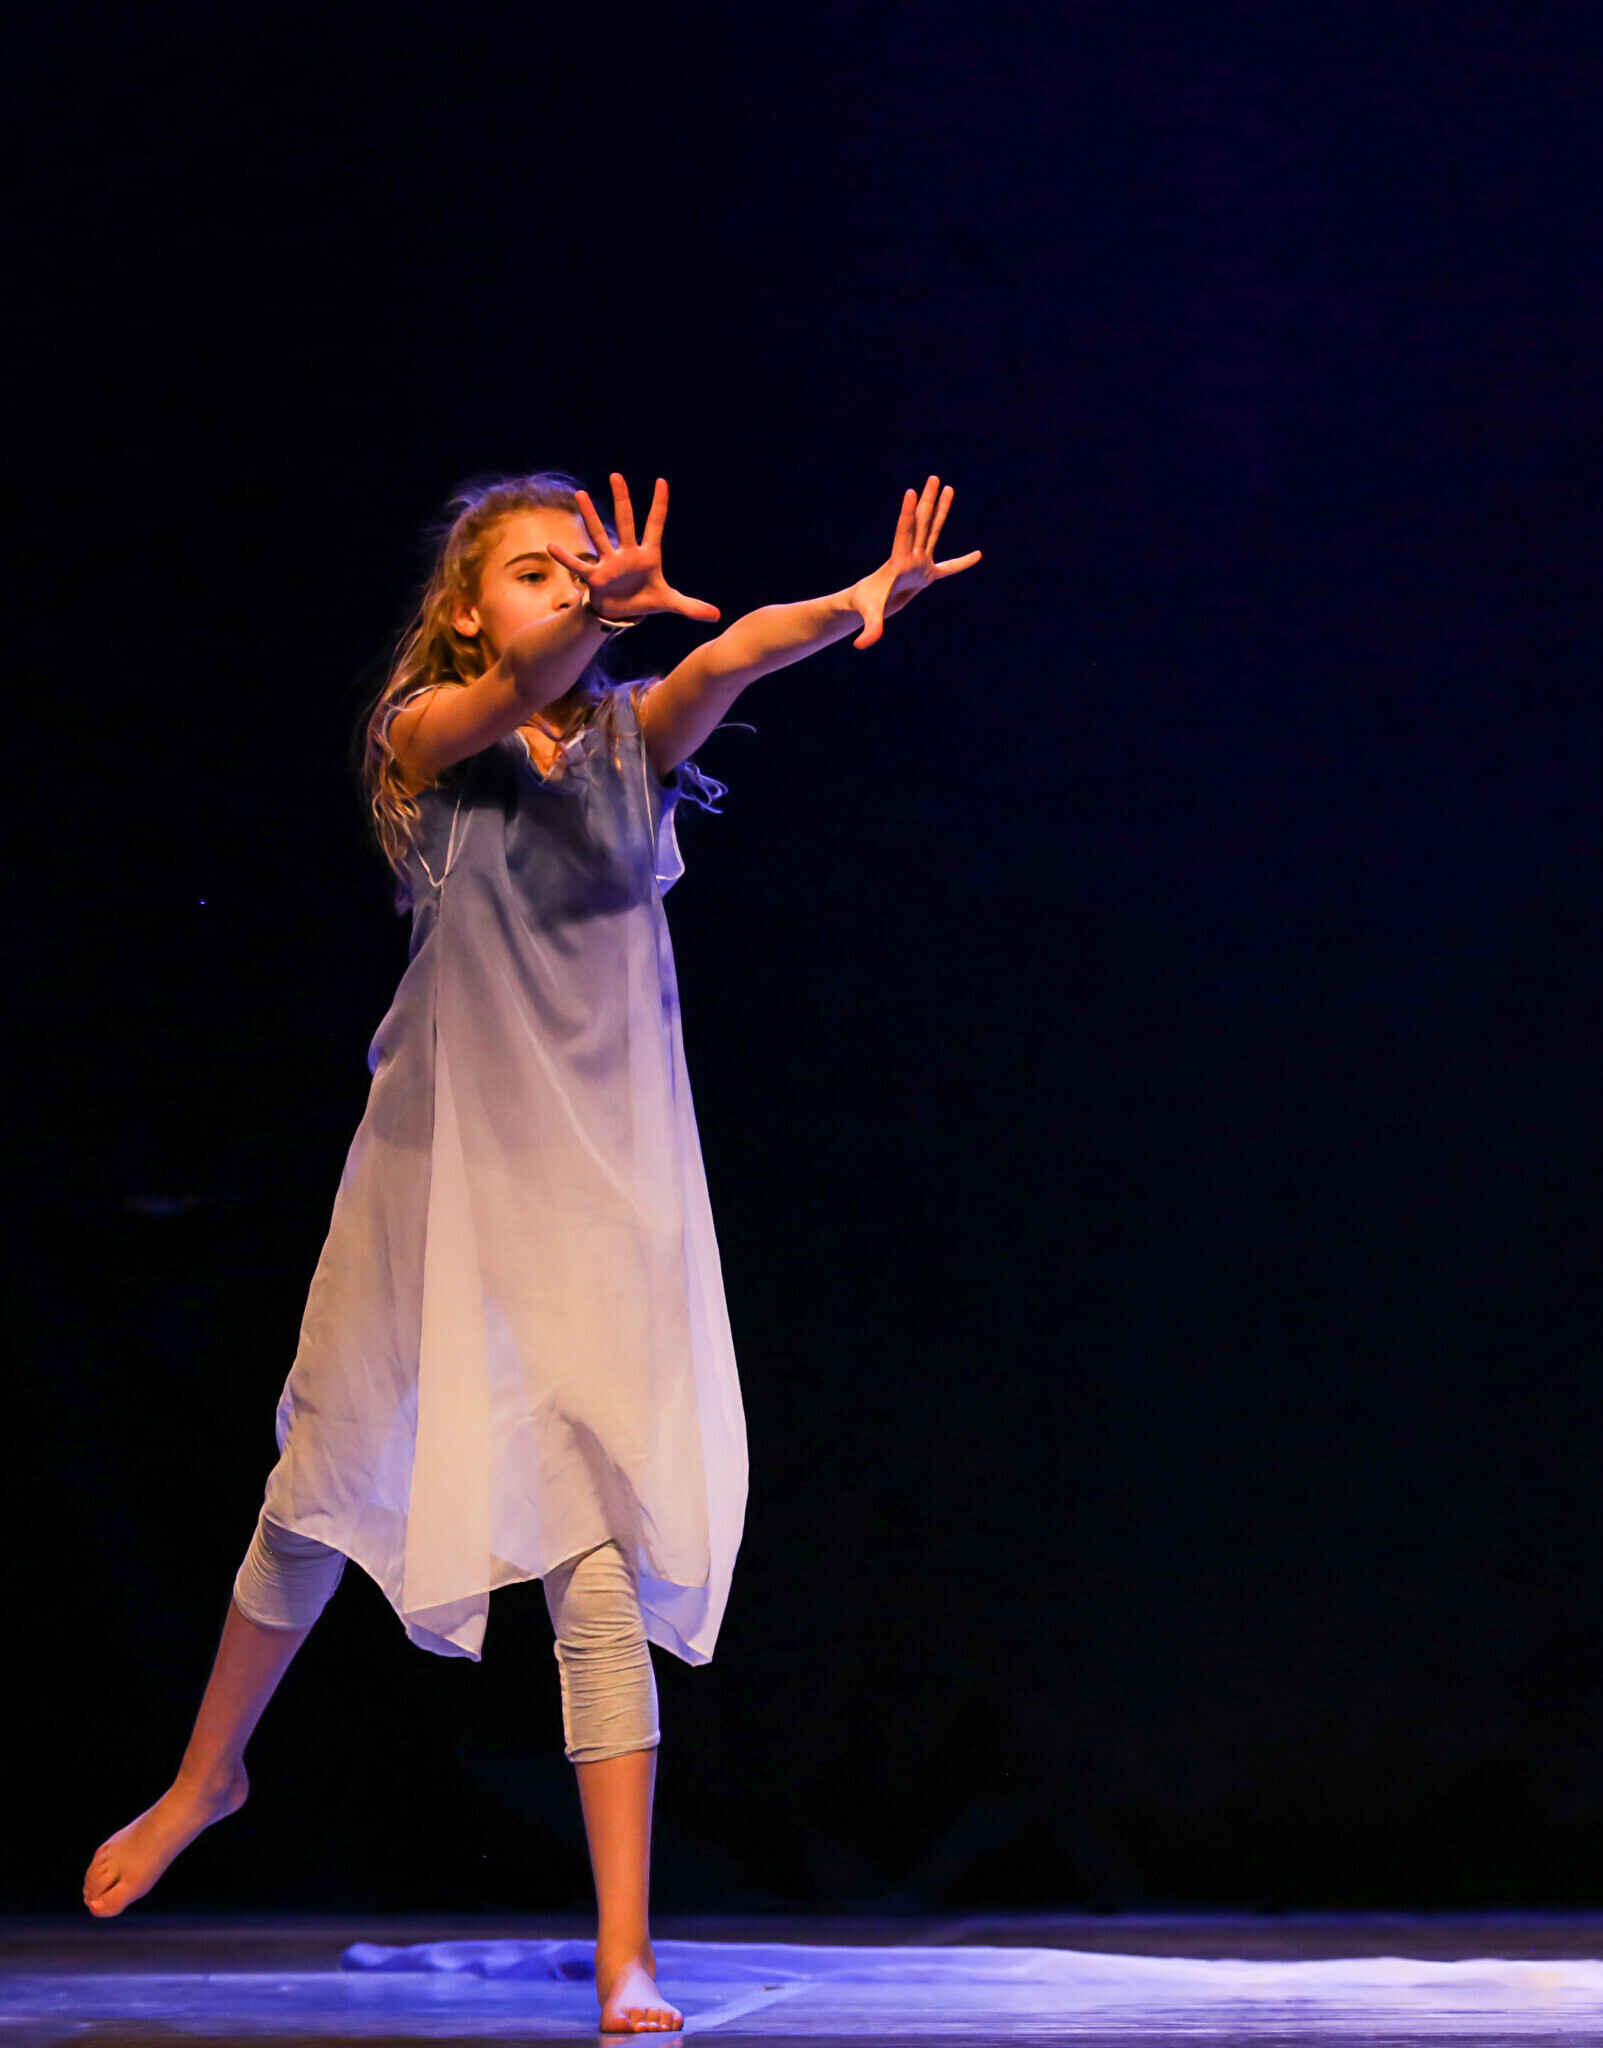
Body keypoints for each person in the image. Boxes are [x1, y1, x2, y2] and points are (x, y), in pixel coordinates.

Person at [81, 471, 979, 2033]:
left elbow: (729, 655)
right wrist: (579, 629)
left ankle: (628, 1953)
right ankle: (208, 1774)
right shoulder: (430, 739)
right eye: (541, 570)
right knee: (315, 1490)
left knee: (594, 1567)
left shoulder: (632, 744)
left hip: (592, 1210)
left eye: (588, 565)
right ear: (465, 611)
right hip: (430, 1191)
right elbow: (503, 693)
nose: (575, 585)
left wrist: (851, 606)